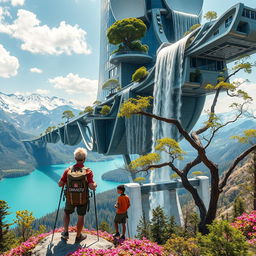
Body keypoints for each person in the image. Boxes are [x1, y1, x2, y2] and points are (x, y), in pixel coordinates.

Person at [58, 147, 97, 243]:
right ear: (84, 159)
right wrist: (95, 184)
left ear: (75, 158)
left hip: (70, 198)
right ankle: (78, 236)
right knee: (81, 216)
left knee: (67, 213)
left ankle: (66, 232)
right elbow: (92, 186)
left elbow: (60, 184)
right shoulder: (88, 171)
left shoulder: (68, 170)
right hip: (82, 199)